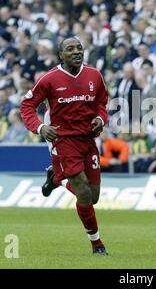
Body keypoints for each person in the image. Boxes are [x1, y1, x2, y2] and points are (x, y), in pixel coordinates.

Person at [20, 37, 109, 256]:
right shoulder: (49, 79)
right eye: (70, 49)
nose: (76, 52)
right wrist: (40, 127)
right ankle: (96, 244)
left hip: (87, 139)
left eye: (79, 48)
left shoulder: (94, 75)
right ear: (61, 55)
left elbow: (102, 103)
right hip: (62, 139)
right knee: (83, 191)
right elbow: (27, 105)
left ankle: (56, 180)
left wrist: (100, 118)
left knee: (93, 196)